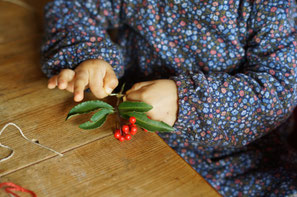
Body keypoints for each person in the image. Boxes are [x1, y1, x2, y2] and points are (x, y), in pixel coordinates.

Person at [41, 0, 297, 196]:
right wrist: (90, 57)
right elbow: (72, 6)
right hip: (138, 132)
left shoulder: (271, 8)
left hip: (238, 157)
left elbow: (280, 85)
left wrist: (188, 101)